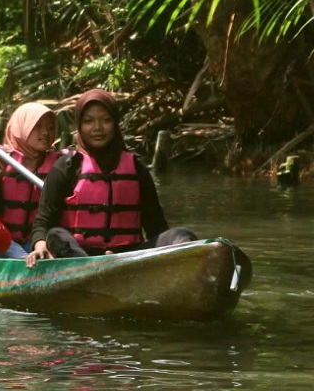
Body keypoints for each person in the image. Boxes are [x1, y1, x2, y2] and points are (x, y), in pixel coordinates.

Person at [25, 88, 197, 264]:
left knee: (182, 235)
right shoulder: (66, 167)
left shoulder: (136, 168)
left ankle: (189, 264)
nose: (97, 128)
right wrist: (40, 247)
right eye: (88, 121)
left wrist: (167, 252)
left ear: (115, 123)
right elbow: (43, 223)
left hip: (128, 256)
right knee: (55, 235)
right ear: (79, 126)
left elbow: (156, 226)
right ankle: (89, 270)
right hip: (79, 256)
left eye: (106, 120)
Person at [0, 102, 62, 258]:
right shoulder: (0, 158)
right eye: (38, 126)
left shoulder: (60, 164)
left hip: (35, 240)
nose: (46, 132)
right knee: (6, 245)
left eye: (50, 128)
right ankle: (25, 260)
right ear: (22, 127)